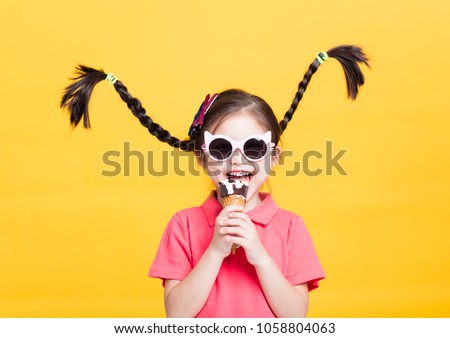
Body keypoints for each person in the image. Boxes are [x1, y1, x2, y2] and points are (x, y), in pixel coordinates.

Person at [60, 45, 369, 317]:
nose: (237, 160)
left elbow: (295, 318)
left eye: (253, 147)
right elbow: (177, 316)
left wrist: (259, 256)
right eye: (221, 148)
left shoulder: (291, 227)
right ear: (202, 158)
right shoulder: (183, 225)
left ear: (272, 158)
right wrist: (216, 250)